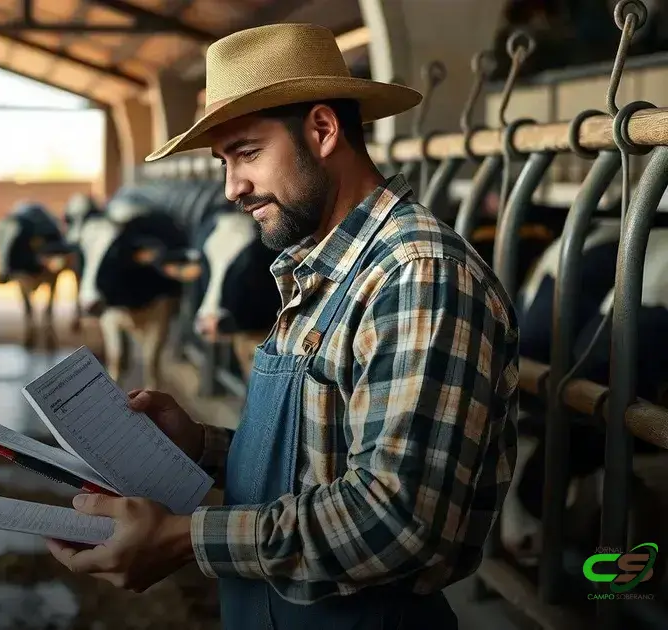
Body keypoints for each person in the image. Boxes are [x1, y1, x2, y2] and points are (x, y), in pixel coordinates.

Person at [45, 22, 521, 630]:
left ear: (322, 131)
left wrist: (183, 538)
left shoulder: (418, 276)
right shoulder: (319, 266)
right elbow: (321, 461)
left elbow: (398, 523)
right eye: (224, 161)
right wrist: (202, 446)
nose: (231, 188)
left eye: (247, 153)